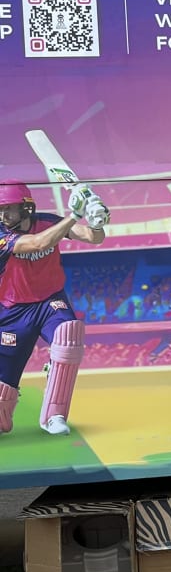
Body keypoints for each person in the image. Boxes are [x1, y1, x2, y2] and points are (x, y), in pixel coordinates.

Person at [0, 181, 109, 436]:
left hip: (50, 301)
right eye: (0, 210)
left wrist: (96, 219)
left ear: (26, 208)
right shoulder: (2, 235)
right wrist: (75, 215)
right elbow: (38, 243)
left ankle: (54, 416)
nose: (3, 216)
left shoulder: (49, 221)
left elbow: (94, 238)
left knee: (68, 335)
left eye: (9, 209)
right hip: (13, 311)